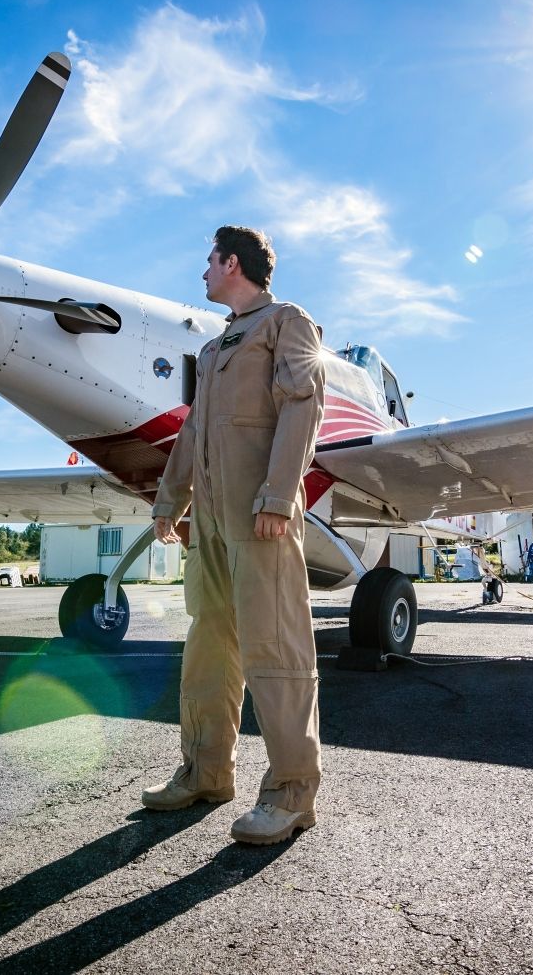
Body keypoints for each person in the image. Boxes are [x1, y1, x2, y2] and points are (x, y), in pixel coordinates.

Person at [143, 225, 327, 845]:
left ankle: (291, 791)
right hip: (213, 525)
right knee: (208, 642)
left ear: (232, 263)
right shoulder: (217, 345)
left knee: (274, 648)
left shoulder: (287, 322)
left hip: (261, 515)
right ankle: (205, 771)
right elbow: (195, 434)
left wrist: (278, 496)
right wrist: (171, 502)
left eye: (209, 262)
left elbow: (302, 407)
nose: (202, 273)